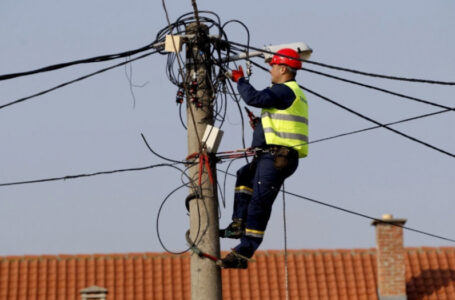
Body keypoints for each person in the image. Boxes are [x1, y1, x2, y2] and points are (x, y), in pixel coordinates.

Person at [219, 48, 309, 269]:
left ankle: (243, 252)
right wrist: (259, 127)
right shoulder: (286, 93)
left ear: (283, 68)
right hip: (271, 155)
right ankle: (238, 224)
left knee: (259, 203)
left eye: (272, 65)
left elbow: (253, 98)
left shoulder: (285, 90)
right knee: (243, 176)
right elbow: (277, 120)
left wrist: (240, 80)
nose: (270, 69)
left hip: (278, 157)